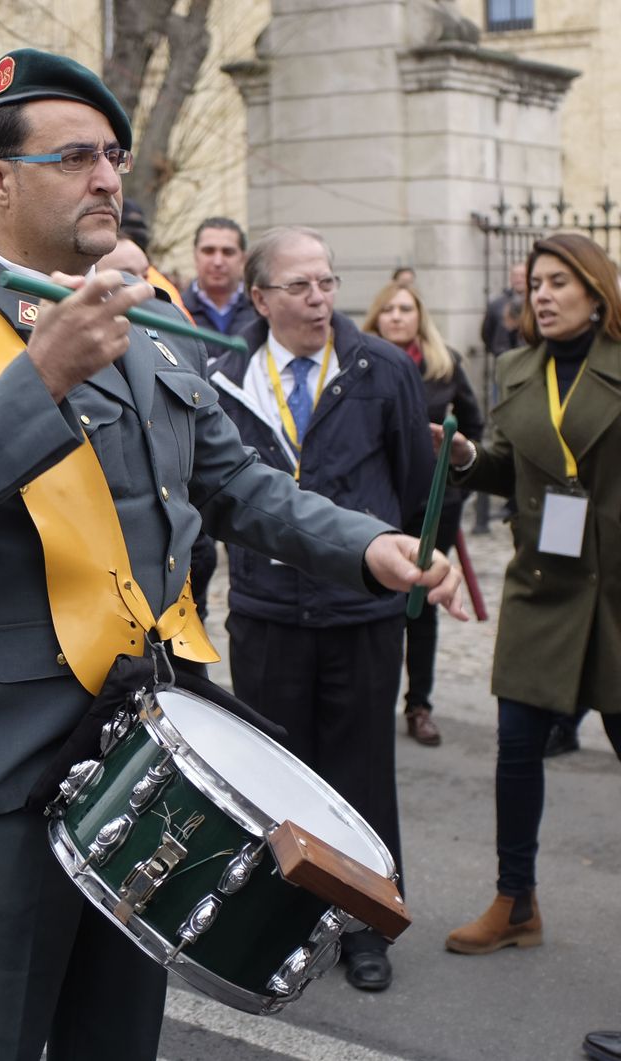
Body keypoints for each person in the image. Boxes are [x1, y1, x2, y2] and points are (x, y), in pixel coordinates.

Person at [0, 49, 464, 1061]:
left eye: (115, 158)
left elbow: (241, 486)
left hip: (143, 763)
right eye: (75, 156)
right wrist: (38, 374)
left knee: (116, 1044)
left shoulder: (153, 333)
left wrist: (369, 544)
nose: (106, 178)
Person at [212, 226, 434, 993]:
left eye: (327, 283)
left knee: (360, 771)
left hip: (357, 615)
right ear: (260, 297)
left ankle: (368, 923)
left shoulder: (381, 368)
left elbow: (413, 483)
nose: (318, 299)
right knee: (279, 776)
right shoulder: (227, 373)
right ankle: (285, 919)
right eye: (300, 286)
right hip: (268, 611)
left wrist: (384, 564)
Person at [441, 232, 621, 957]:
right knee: (516, 749)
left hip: (613, 593)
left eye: (558, 282)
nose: (541, 295)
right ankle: (515, 901)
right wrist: (464, 459)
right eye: (535, 284)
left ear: (596, 291)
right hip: (541, 587)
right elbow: (511, 467)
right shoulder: (517, 369)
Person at [361, 279, 484, 746]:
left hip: (434, 505)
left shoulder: (444, 365)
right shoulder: (360, 363)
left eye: (405, 308)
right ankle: (378, 698)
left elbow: (472, 429)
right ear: (377, 317)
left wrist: (454, 468)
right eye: (387, 308)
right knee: (379, 600)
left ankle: (420, 705)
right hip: (380, 503)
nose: (396, 316)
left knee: (421, 605)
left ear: (419, 316)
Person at [182, 217, 259, 337]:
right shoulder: (176, 310)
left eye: (228, 252)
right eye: (208, 251)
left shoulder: (261, 310)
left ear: (243, 259)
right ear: (195, 255)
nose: (218, 262)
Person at [482, 261, 528, 358]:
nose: (519, 279)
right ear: (510, 278)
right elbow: (487, 333)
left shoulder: (536, 302)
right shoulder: (496, 304)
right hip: (504, 355)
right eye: (515, 276)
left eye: (522, 276)